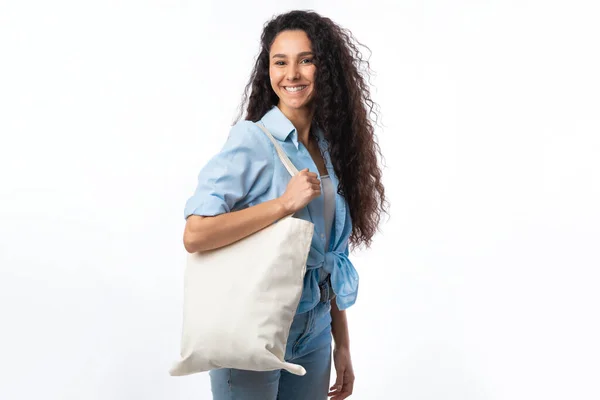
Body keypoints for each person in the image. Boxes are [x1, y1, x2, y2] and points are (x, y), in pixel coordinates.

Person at [182, 10, 387, 400]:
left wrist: (341, 346)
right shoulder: (252, 140)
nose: (292, 74)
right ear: (269, 71)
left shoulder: (329, 148)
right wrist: (283, 204)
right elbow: (196, 233)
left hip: (314, 328)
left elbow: (331, 258)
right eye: (280, 62)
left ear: (324, 68)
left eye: (305, 60)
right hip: (251, 324)